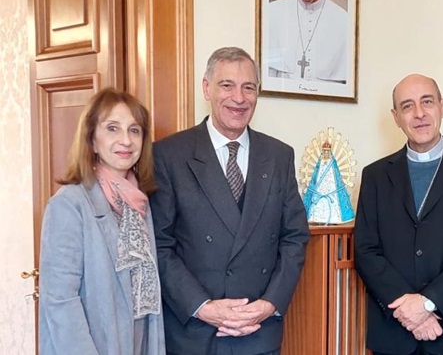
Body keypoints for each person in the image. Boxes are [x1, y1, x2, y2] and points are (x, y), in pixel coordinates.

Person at [150, 46, 310, 355]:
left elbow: (294, 238)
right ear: (207, 88)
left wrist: (269, 304)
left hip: (258, 331)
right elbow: (159, 244)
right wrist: (203, 307)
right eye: (227, 85)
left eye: (248, 87)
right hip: (194, 334)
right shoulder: (169, 155)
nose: (239, 98)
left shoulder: (279, 156)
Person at [354, 74, 443, 355]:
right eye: (407, 106)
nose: (419, 114)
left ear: (442, 106)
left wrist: (428, 303)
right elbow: (366, 250)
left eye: (427, 102)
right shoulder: (375, 175)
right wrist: (406, 308)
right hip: (393, 333)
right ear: (396, 117)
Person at [39, 88, 165, 355]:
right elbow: (60, 302)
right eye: (112, 128)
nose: (126, 140)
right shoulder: (69, 205)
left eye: (134, 130)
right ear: (92, 140)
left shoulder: (140, 204)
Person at [302, 140, 355, 224]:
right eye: (325, 150)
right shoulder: (320, 163)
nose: (326, 152)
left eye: (327, 151)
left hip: (332, 192)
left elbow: (335, 177)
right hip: (319, 192)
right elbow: (316, 177)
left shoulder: (332, 163)